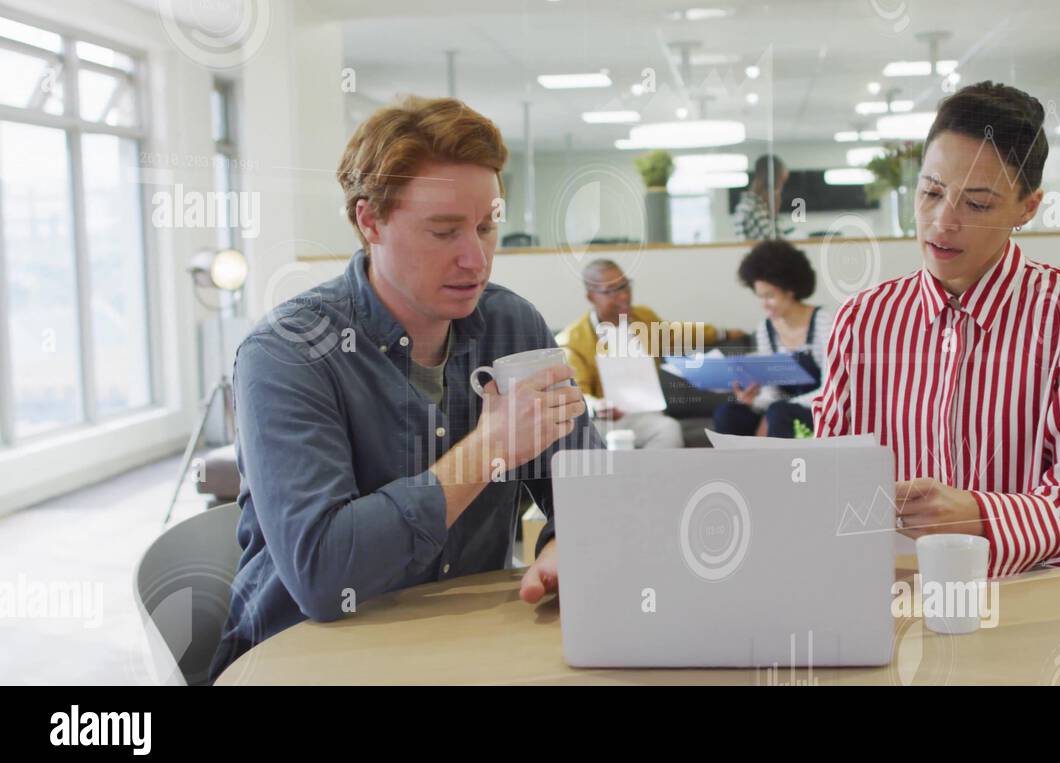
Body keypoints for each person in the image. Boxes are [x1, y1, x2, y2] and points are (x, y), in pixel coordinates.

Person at [209, 97, 595, 681]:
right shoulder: (286, 354)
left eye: (488, 226)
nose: (476, 258)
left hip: (461, 650)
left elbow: (593, 494)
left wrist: (566, 543)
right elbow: (324, 576)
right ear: (370, 221)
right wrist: (490, 449)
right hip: (306, 658)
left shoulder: (514, 327)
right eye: (443, 232)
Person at [813, 81, 1060, 579]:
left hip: (1039, 583)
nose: (942, 222)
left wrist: (980, 516)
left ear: (1027, 207)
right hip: (901, 585)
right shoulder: (862, 320)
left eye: (977, 205)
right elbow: (828, 481)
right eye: (931, 192)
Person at [557, 258, 746, 448]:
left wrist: (723, 333)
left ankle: (653, 478)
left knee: (668, 429)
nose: (623, 296)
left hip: (647, 416)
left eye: (625, 286)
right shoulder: (573, 340)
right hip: (604, 420)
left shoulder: (643, 318)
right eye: (611, 291)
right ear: (591, 297)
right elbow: (576, 392)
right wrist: (597, 407)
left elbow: (676, 334)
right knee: (608, 438)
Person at [714, 240, 833, 438]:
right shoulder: (765, 329)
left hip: (817, 409)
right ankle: (732, 468)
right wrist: (753, 401)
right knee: (728, 414)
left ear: (790, 289)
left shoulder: (824, 322)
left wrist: (781, 406)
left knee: (779, 413)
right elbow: (773, 392)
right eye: (760, 296)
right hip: (779, 410)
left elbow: (830, 390)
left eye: (769, 296)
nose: (764, 304)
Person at [733, 154, 792, 240]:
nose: (781, 188)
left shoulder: (750, 206)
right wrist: (773, 214)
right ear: (771, 181)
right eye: (781, 182)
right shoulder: (753, 208)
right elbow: (774, 245)